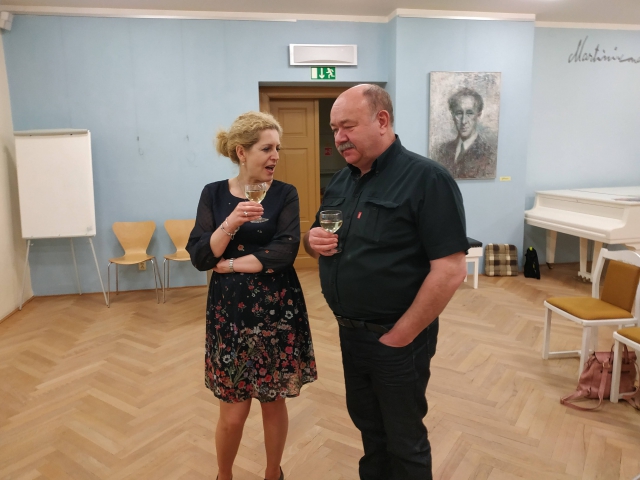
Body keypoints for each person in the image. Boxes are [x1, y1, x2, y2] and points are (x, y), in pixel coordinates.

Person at [304, 85, 468, 479]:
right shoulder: (341, 182)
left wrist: (401, 336)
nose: (339, 137)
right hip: (351, 335)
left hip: (398, 338)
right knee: (370, 431)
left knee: (404, 440)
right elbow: (317, 237)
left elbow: (450, 269)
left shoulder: (427, 179)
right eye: (334, 129)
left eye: (347, 126)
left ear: (382, 121)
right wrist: (311, 242)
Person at [187, 111, 317, 480]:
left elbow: (284, 252)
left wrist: (228, 265)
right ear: (242, 152)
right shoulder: (213, 194)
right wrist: (231, 223)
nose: (275, 156)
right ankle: (224, 475)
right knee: (233, 411)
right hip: (230, 315)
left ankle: (273, 473)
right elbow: (200, 256)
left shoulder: (285, 194)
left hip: (277, 312)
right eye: (266, 148)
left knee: (273, 403)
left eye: (278, 148)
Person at [432, 87, 496, 179]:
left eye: (469, 113)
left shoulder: (489, 154)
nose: (464, 121)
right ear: (453, 115)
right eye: (459, 113)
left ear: (478, 115)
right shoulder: (442, 150)